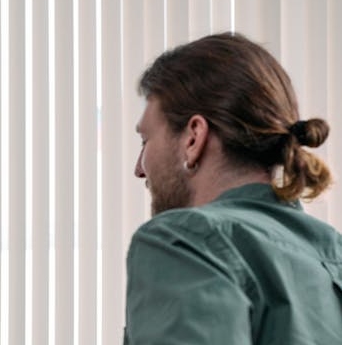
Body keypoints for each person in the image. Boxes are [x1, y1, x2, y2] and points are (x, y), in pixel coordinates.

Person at [125, 32, 342, 344]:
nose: (139, 168)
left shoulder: (183, 240)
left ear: (193, 137)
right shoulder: (331, 253)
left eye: (145, 140)